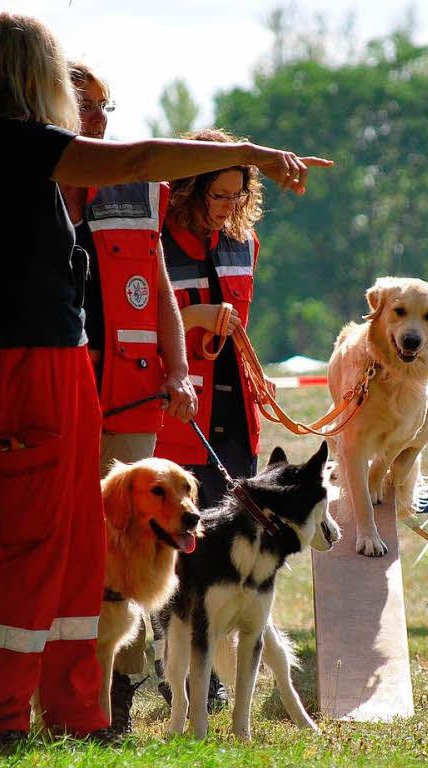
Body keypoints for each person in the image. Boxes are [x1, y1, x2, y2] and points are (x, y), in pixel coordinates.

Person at [0, 12, 331, 748]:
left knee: (75, 542)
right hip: (32, 359)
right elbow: (132, 159)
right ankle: (4, 720)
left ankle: (75, 709)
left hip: (33, 356)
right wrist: (246, 150)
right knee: (34, 543)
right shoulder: (14, 145)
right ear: (33, 76)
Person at [62, 61, 196, 734]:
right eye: (84, 107)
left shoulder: (140, 190)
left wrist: (177, 372)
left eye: (104, 108)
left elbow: (160, 285)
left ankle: (116, 702)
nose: (99, 122)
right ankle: (58, 690)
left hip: (133, 401)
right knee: (61, 545)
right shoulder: (22, 186)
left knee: (137, 548)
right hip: (57, 401)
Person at [151, 128, 272, 706]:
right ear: (186, 189)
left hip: (234, 413)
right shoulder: (156, 241)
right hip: (178, 415)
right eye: (214, 196)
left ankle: (214, 677)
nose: (224, 209)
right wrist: (195, 316)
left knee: (226, 544)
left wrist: (257, 373)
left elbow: (242, 323)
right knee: (177, 549)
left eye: (234, 196)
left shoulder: (244, 243)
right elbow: (149, 322)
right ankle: (171, 674)